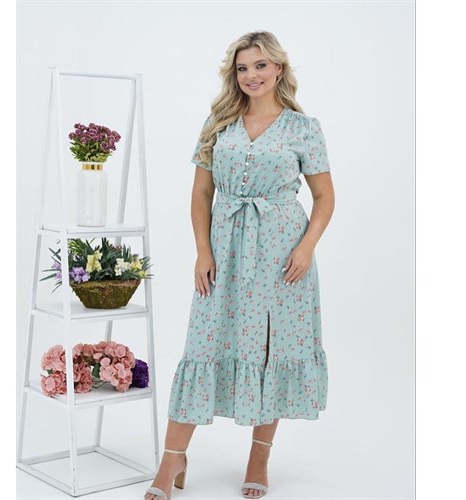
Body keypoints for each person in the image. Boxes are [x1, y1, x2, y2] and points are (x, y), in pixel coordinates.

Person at [144, 30, 335, 500]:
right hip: (224, 252)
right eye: (243, 67)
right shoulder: (219, 122)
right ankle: (171, 461)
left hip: (283, 256)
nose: (251, 75)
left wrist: (306, 248)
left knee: (271, 349)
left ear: (279, 69)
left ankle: (259, 458)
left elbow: (325, 197)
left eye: (261, 65)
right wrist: (202, 251)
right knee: (202, 346)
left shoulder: (304, 128)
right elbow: (201, 192)